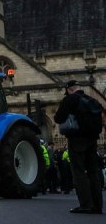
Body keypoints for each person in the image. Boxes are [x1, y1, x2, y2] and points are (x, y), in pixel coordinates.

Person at [54, 80, 104, 214]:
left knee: (79, 172)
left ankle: (86, 204)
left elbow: (58, 118)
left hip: (77, 140)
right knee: (93, 172)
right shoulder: (91, 99)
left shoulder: (70, 99)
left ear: (69, 89)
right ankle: (97, 205)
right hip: (93, 140)